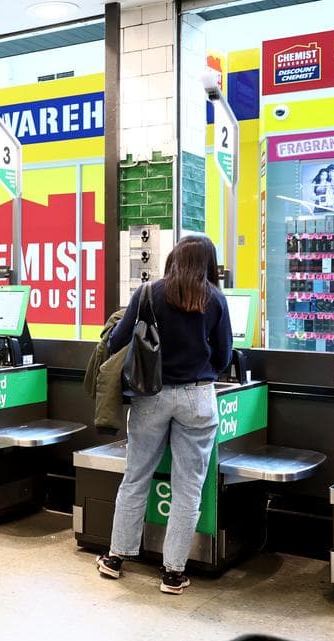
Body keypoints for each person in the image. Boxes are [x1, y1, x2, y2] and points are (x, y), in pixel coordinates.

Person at [97, 236, 233, 594]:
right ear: (208, 263)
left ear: (174, 258)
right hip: (198, 398)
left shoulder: (147, 294)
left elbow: (116, 343)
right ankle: (173, 572)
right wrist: (202, 371)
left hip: (151, 395)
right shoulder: (215, 299)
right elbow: (224, 355)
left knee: (136, 476)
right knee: (188, 488)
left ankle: (116, 557)